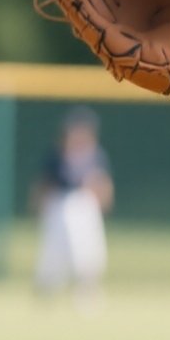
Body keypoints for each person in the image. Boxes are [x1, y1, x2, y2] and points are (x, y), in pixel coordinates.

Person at [31, 107, 114, 305]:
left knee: (88, 252)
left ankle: (87, 291)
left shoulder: (96, 155)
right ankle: (47, 289)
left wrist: (104, 203)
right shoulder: (56, 155)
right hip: (59, 203)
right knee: (53, 253)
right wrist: (39, 206)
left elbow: (102, 183)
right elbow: (44, 184)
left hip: (85, 205)